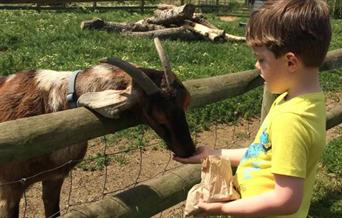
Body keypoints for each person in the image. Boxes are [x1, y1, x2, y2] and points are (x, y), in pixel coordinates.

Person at [173, 0, 332, 217]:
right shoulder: (302, 102)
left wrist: (223, 208)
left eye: (261, 60)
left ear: (291, 62)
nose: (257, 66)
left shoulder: (291, 120)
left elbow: (286, 199)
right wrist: (214, 154)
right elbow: (262, 153)